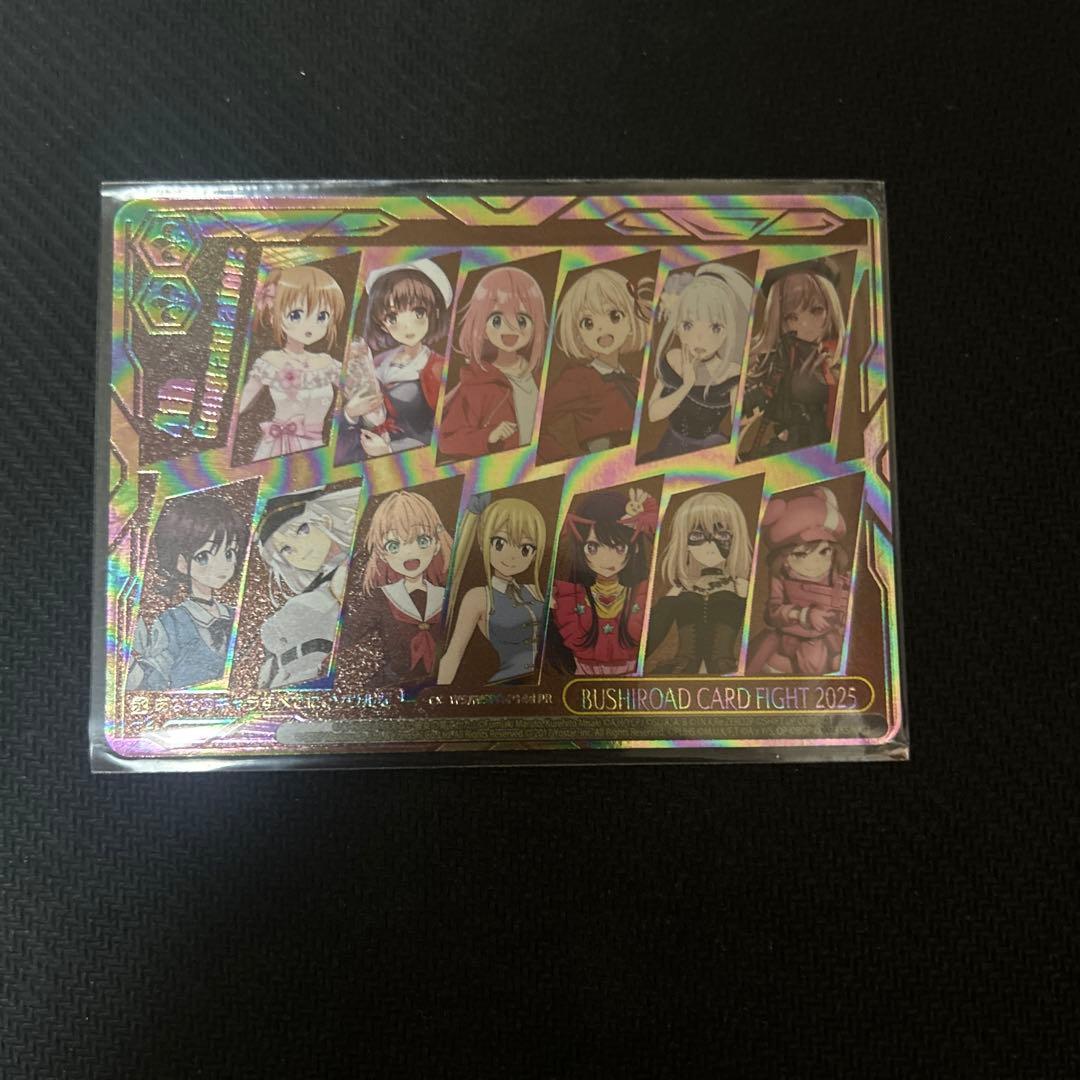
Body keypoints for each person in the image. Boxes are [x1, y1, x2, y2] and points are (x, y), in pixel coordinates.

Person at [127, 494, 248, 690]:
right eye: (204, 556)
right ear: (181, 563)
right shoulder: (172, 622)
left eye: (229, 553)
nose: (222, 566)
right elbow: (155, 677)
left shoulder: (235, 615)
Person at [337, 259, 453, 462]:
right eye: (392, 317)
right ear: (382, 324)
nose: (407, 327)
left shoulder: (438, 368)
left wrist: (390, 451)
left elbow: (443, 436)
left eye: (418, 312)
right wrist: (350, 413)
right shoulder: (377, 363)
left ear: (433, 312)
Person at [237, 265, 346, 461]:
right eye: (296, 315)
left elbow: (357, 393)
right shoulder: (271, 361)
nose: (310, 326)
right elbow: (241, 403)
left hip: (315, 449)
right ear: (273, 315)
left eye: (322, 316)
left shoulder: (326, 364)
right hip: (275, 449)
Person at [438, 266, 548, 459]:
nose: (510, 329)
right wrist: (488, 436)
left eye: (522, 320)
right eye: (497, 320)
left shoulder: (538, 376)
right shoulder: (476, 383)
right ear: (481, 326)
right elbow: (447, 440)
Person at [255, 487, 359, 688]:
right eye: (286, 549)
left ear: (324, 521)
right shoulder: (317, 584)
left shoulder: (357, 561)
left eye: (302, 530)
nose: (300, 550)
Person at [437, 494, 547, 684]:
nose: (512, 556)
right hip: (505, 687)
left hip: (546, 686)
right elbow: (453, 655)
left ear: (534, 553)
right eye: (500, 543)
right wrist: (436, 696)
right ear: (482, 544)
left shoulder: (535, 591)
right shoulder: (478, 598)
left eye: (525, 548)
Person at [644, 490, 753, 676]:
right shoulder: (680, 587)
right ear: (684, 541)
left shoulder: (740, 586)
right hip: (681, 671)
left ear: (735, 538)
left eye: (722, 535)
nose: (709, 546)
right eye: (697, 536)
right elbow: (650, 638)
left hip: (726, 673)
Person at [746, 486, 852, 676]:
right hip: (789, 641)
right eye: (802, 554)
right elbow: (773, 612)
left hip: (828, 643)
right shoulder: (780, 578)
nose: (816, 561)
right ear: (784, 559)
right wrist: (804, 615)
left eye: (824, 551)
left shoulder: (839, 579)